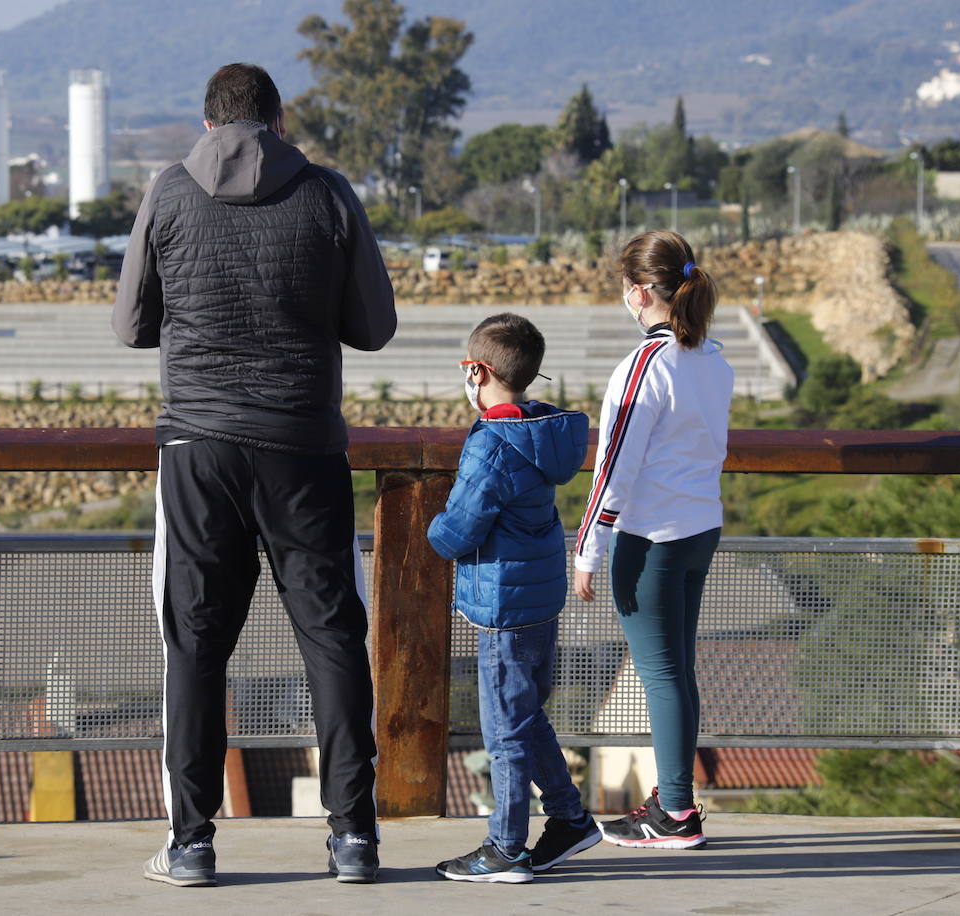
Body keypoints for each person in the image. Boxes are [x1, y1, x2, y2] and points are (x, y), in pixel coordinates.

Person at [113, 62, 397, 887]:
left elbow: (133, 325)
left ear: (207, 123)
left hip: (196, 450)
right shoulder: (326, 192)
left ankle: (192, 843)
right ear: (280, 122)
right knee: (333, 638)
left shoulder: (168, 192)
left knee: (196, 645)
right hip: (304, 447)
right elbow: (373, 326)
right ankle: (354, 839)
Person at [573, 230, 733, 849]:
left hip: (651, 539)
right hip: (700, 529)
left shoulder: (646, 365)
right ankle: (673, 799)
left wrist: (587, 550)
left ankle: (675, 814)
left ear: (640, 292)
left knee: (661, 675)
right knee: (678, 672)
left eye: (623, 286)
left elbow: (614, 467)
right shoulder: (712, 358)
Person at [426, 313, 597, 883]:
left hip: (503, 604)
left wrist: (432, 529)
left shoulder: (493, 445)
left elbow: (458, 531)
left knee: (503, 732)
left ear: (478, 371)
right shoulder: (540, 431)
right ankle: (570, 820)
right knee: (524, 717)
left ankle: (506, 849)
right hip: (539, 594)